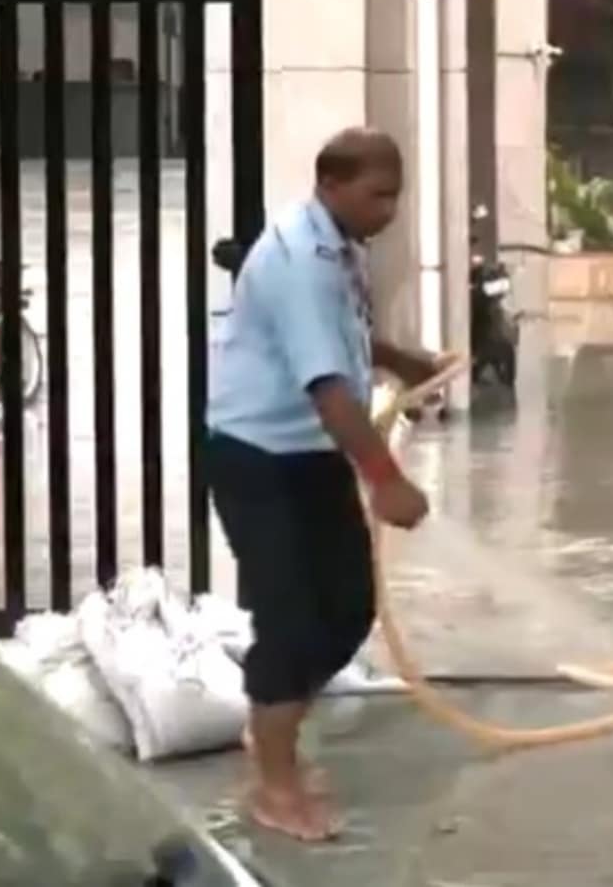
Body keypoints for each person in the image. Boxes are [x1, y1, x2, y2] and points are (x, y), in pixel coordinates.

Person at [205, 127, 461, 841]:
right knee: (289, 621)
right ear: (332, 184)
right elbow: (329, 388)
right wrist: (386, 480)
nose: (390, 211)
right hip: (257, 458)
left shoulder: (339, 244)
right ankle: (276, 785)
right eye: (378, 195)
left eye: (396, 196)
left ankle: (271, 726)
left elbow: (340, 337)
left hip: (310, 454)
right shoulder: (299, 259)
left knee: (347, 609)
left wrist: (404, 360)